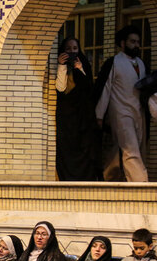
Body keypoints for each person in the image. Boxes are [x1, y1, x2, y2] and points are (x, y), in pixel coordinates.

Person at [95, 25, 149, 182]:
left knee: (129, 147)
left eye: (138, 42)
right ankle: (142, 184)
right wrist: (99, 115)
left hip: (138, 111)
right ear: (123, 43)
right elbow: (105, 89)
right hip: (120, 111)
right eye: (132, 41)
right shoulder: (114, 62)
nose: (136, 45)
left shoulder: (141, 63)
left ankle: (108, 176)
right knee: (130, 149)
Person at [55, 37, 98, 181]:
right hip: (66, 119)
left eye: (75, 49)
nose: (72, 52)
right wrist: (61, 66)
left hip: (82, 120)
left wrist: (79, 69)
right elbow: (60, 88)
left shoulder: (82, 64)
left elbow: (88, 89)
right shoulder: (59, 67)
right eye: (68, 49)